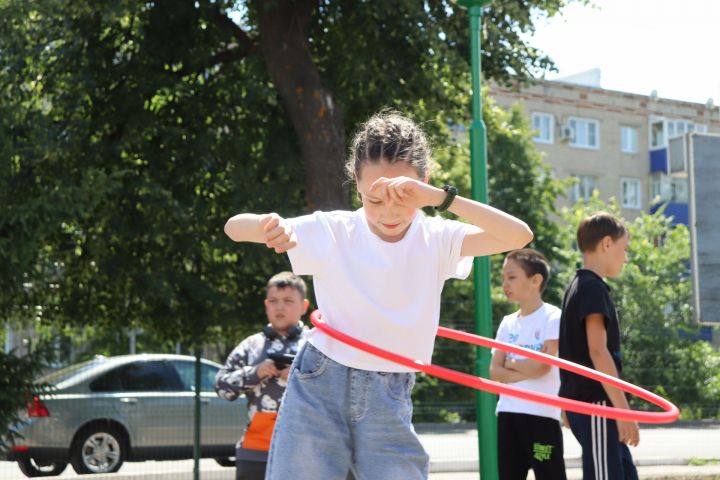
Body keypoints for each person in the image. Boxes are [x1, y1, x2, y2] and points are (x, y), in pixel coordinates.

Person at [223, 111, 533, 480]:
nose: (389, 212)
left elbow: (519, 236)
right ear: (356, 183)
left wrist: (441, 199)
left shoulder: (438, 237)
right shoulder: (335, 230)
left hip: (391, 387)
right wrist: (267, 225)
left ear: (425, 183)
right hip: (321, 379)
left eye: (404, 197)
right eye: (375, 199)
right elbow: (233, 228)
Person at [558, 211, 639, 480]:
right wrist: (623, 411)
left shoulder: (577, 286)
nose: (626, 258)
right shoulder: (592, 288)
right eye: (624, 248)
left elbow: (570, 350)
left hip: (586, 401)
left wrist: (565, 397)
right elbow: (597, 352)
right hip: (597, 403)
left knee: (625, 474)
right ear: (607, 244)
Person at [214, 271, 310, 480]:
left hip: (308, 445)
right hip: (257, 446)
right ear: (266, 305)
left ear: (303, 306)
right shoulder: (251, 345)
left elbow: (339, 390)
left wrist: (299, 378)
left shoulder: (317, 345)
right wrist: (255, 372)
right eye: (273, 301)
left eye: (288, 301)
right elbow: (221, 387)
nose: (280, 307)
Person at [489, 248, 567, 480]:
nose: (505, 283)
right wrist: (526, 365)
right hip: (508, 415)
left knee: (550, 475)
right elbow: (494, 371)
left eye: (512, 277)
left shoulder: (552, 317)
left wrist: (510, 363)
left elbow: (543, 367)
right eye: (504, 278)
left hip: (542, 418)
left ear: (535, 280)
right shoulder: (507, 323)